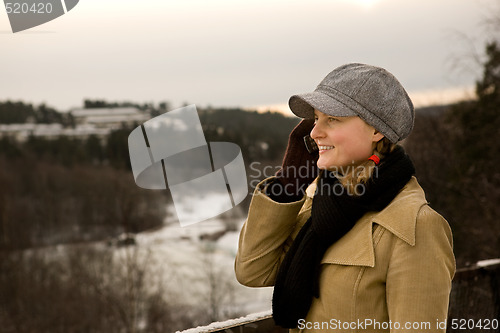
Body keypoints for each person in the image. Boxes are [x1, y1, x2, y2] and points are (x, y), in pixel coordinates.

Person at [234, 63, 455, 332]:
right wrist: (288, 184)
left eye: (333, 119)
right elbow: (253, 271)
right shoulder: (320, 204)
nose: (315, 132)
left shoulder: (415, 227)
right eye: (316, 118)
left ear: (376, 130)